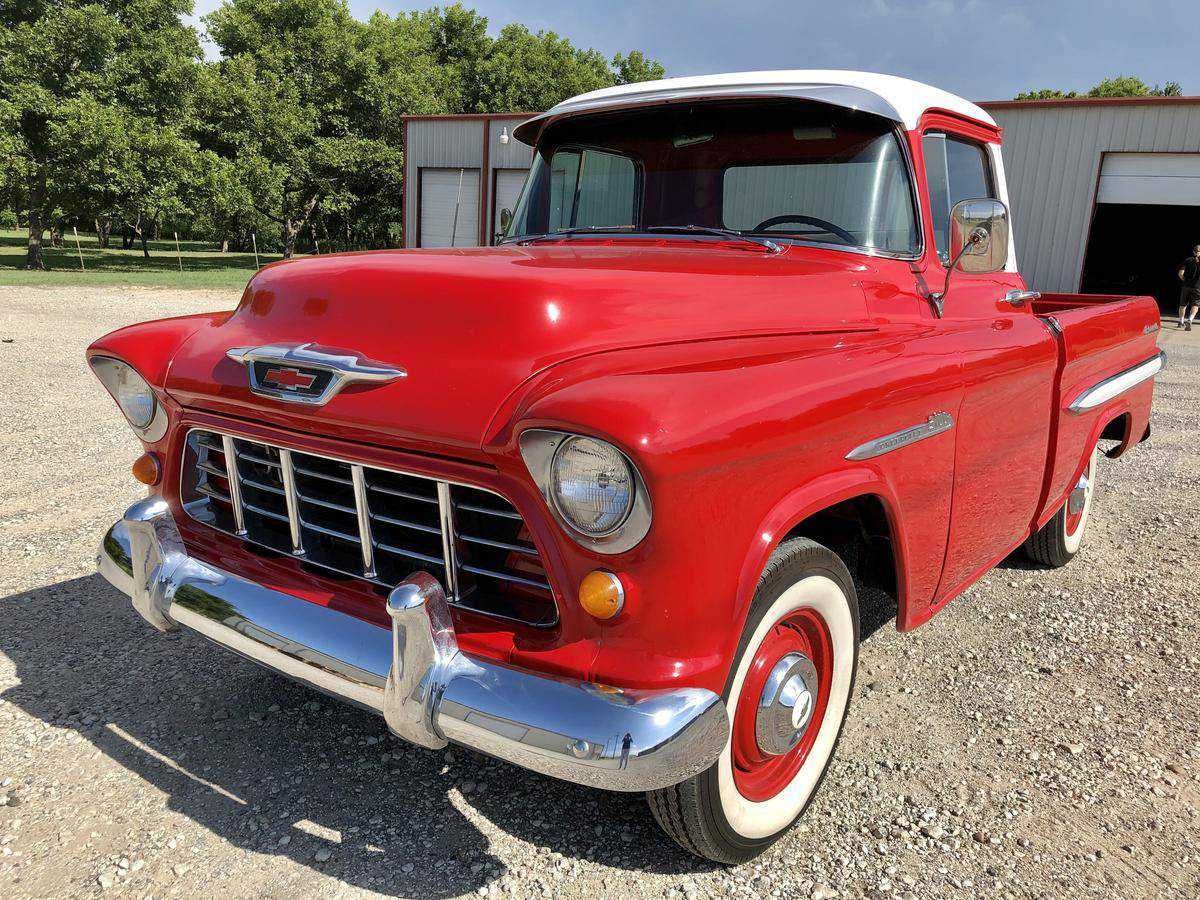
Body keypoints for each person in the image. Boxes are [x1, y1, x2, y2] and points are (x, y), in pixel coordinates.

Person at [1178, 245, 1200, 331]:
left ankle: (1181, 322)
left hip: (1186, 286)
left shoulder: (1187, 260)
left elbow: (1180, 274)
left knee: (1183, 304)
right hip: (1197, 287)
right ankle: (1190, 320)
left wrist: (1185, 281)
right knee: (1196, 304)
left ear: (1193, 252)